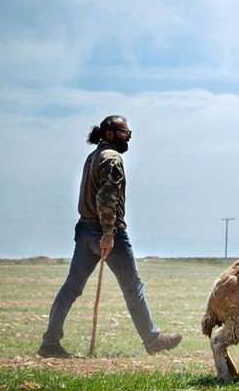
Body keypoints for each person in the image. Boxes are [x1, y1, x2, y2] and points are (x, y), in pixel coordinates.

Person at [37, 115, 181, 358]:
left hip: (84, 230)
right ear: (111, 134)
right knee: (132, 286)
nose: (129, 137)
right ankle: (153, 340)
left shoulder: (92, 157)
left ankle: (49, 343)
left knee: (71, 287)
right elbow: (105, 198)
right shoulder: (112, 158)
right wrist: (108, 233)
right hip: (107, 232)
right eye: (125, 132)